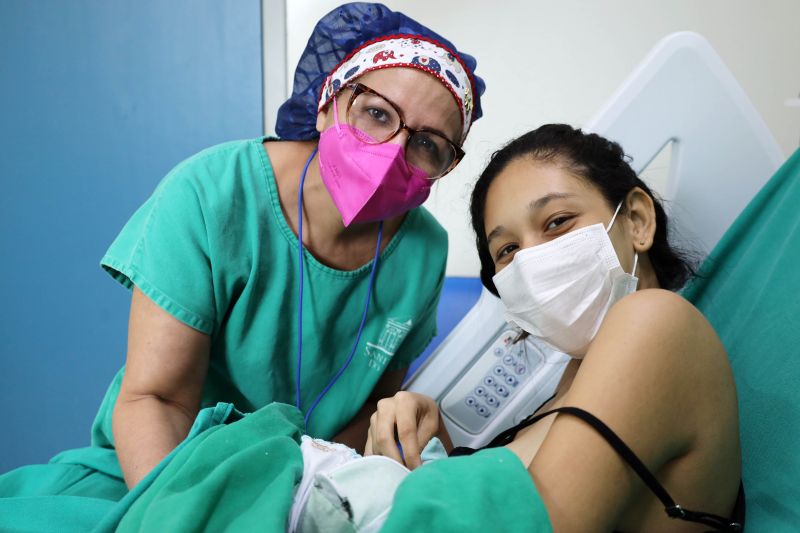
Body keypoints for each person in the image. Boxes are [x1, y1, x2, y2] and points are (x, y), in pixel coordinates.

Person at [0, 0, 485, 523]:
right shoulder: (212, 194)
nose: (392, 150)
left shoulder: (422, 250)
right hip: (160, 476)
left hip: (304, 487)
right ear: (327, 104)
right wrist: (188, 516)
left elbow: (371, 412)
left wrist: (310, 497)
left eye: (428, 145)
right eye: (375, 113)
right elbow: (157, 401)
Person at [366, 125, 743, 531]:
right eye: (508, 250)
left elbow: (528, 523)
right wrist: (434, 443)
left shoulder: (655, 322)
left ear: (637, 219)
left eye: (557, 221)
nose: (532, 263)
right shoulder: (575, 377)